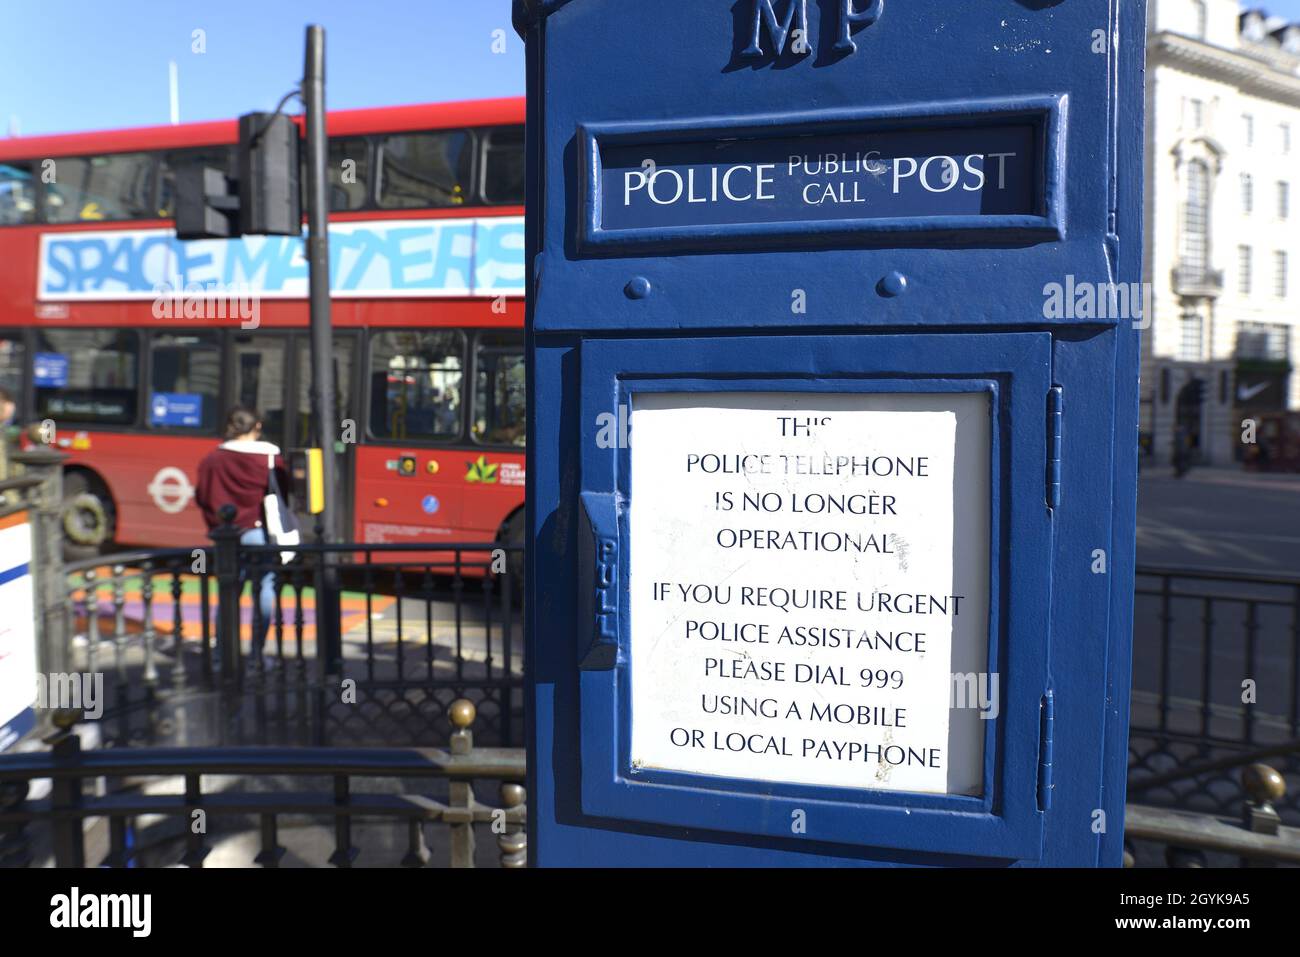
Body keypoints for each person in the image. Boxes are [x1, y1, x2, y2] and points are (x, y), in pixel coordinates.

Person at [195, 407, 288, 666]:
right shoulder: (270, 458)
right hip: (260, 533)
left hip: (227, 537)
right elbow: (284, 492)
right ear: (256, 427)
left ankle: (221, 656)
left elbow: (202, 496)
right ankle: (257, 655)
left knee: (228, 593)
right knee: (264, 590)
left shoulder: (213, 459)